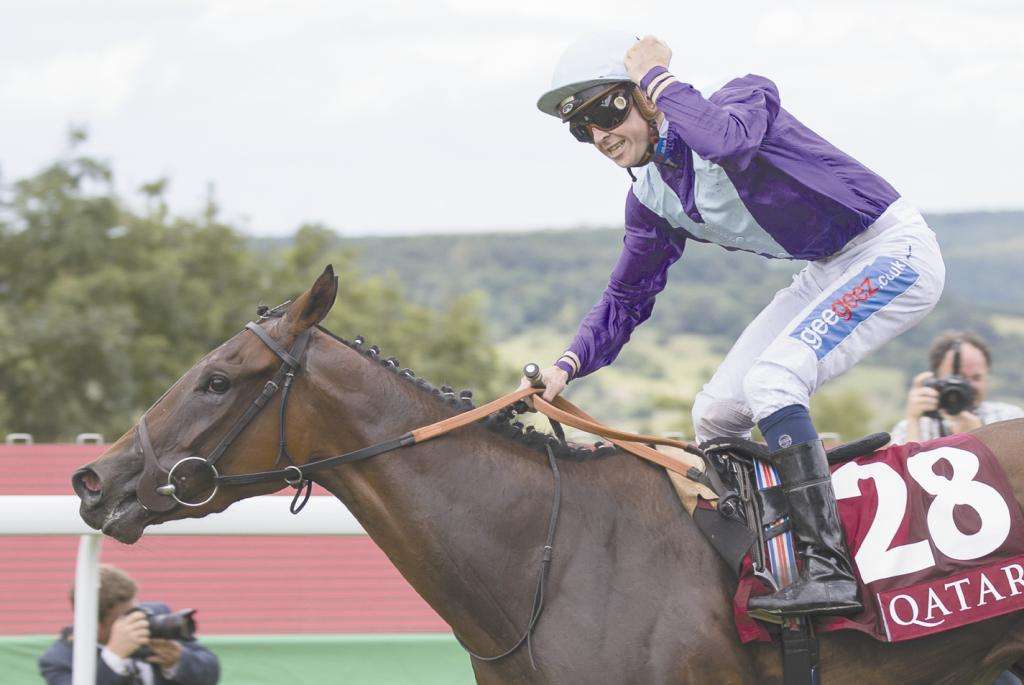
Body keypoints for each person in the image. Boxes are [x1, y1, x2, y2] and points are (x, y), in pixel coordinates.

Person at [521, 32, 945, 618]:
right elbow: (627, 295)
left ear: (643, 96)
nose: (600, 136)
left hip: (893, 251)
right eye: (582, 129)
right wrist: (567, 366)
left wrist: (657, 77)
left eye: (606, 111)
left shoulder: (745, 98)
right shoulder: (651, 195)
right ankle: (769, 558)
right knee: (716, 413)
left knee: (773, 380)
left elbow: (724, 142)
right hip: (827, 270)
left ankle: (830, 569)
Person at [38, 565, 219, 685]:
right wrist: (113, 657)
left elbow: (211, 673)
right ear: (94, 623)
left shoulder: (155, 616)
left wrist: (177, 661)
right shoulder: (59, 660)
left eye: (136, 609)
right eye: (124, 618)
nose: (136, 620)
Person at [891, 330, 1024, 443]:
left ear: (987, 378)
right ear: (935, 379)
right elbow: (903, 472)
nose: (967, 386)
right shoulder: (912, 427)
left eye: (976, 377)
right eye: (958, 378)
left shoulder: (1010, 419)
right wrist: (913, 421)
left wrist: (979, 438)